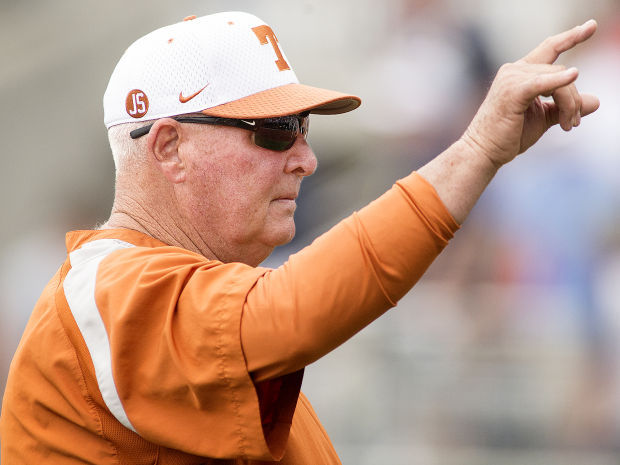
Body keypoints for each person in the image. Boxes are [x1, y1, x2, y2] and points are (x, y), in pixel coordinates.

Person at [0, 10, 599, 464]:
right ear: (169, 147)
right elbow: (292, 310)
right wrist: (475, 152)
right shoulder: (105, 291)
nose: (306, 159)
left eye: (304, 128)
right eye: (276, 130)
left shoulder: (189, 300)